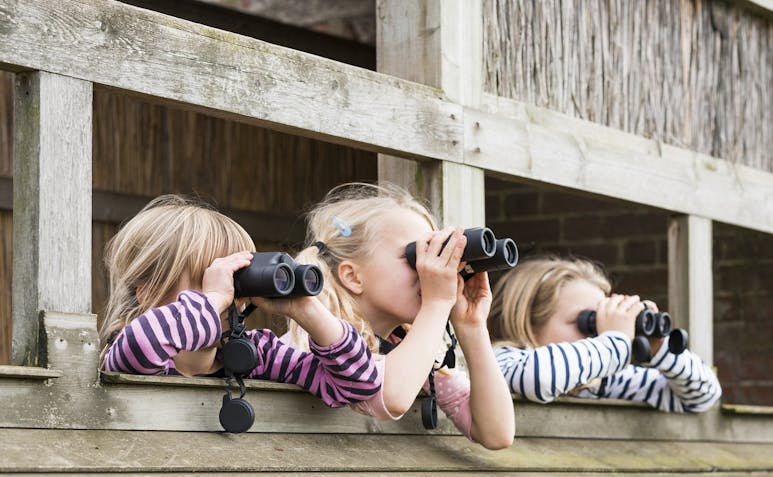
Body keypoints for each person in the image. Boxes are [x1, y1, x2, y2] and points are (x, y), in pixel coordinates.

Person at [286, 182, 515, 449]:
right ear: (353, 276)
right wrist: (437, 302)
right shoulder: (314, 338)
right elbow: (389, 396)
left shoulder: (406, 348)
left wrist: (472, 326)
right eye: (414, 256)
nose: (430, 269)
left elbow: (497, 434)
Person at [99, 194, 380, 410]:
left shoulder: (256, 355)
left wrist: (306, 309)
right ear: (147, 292)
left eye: (238, 277)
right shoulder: (130, 353)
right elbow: (143, 343)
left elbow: (360, 385)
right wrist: (215, 299)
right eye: (208, 277)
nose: (229, 292)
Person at [488, 256, 721, 412]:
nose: (598, 333)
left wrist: (660, 350)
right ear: (527, 323)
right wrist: (616, 340)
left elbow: (702, 396)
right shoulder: (499, 362)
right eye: (587, 322)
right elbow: (537, 379)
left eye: (601, 320)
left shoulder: (599, 381)